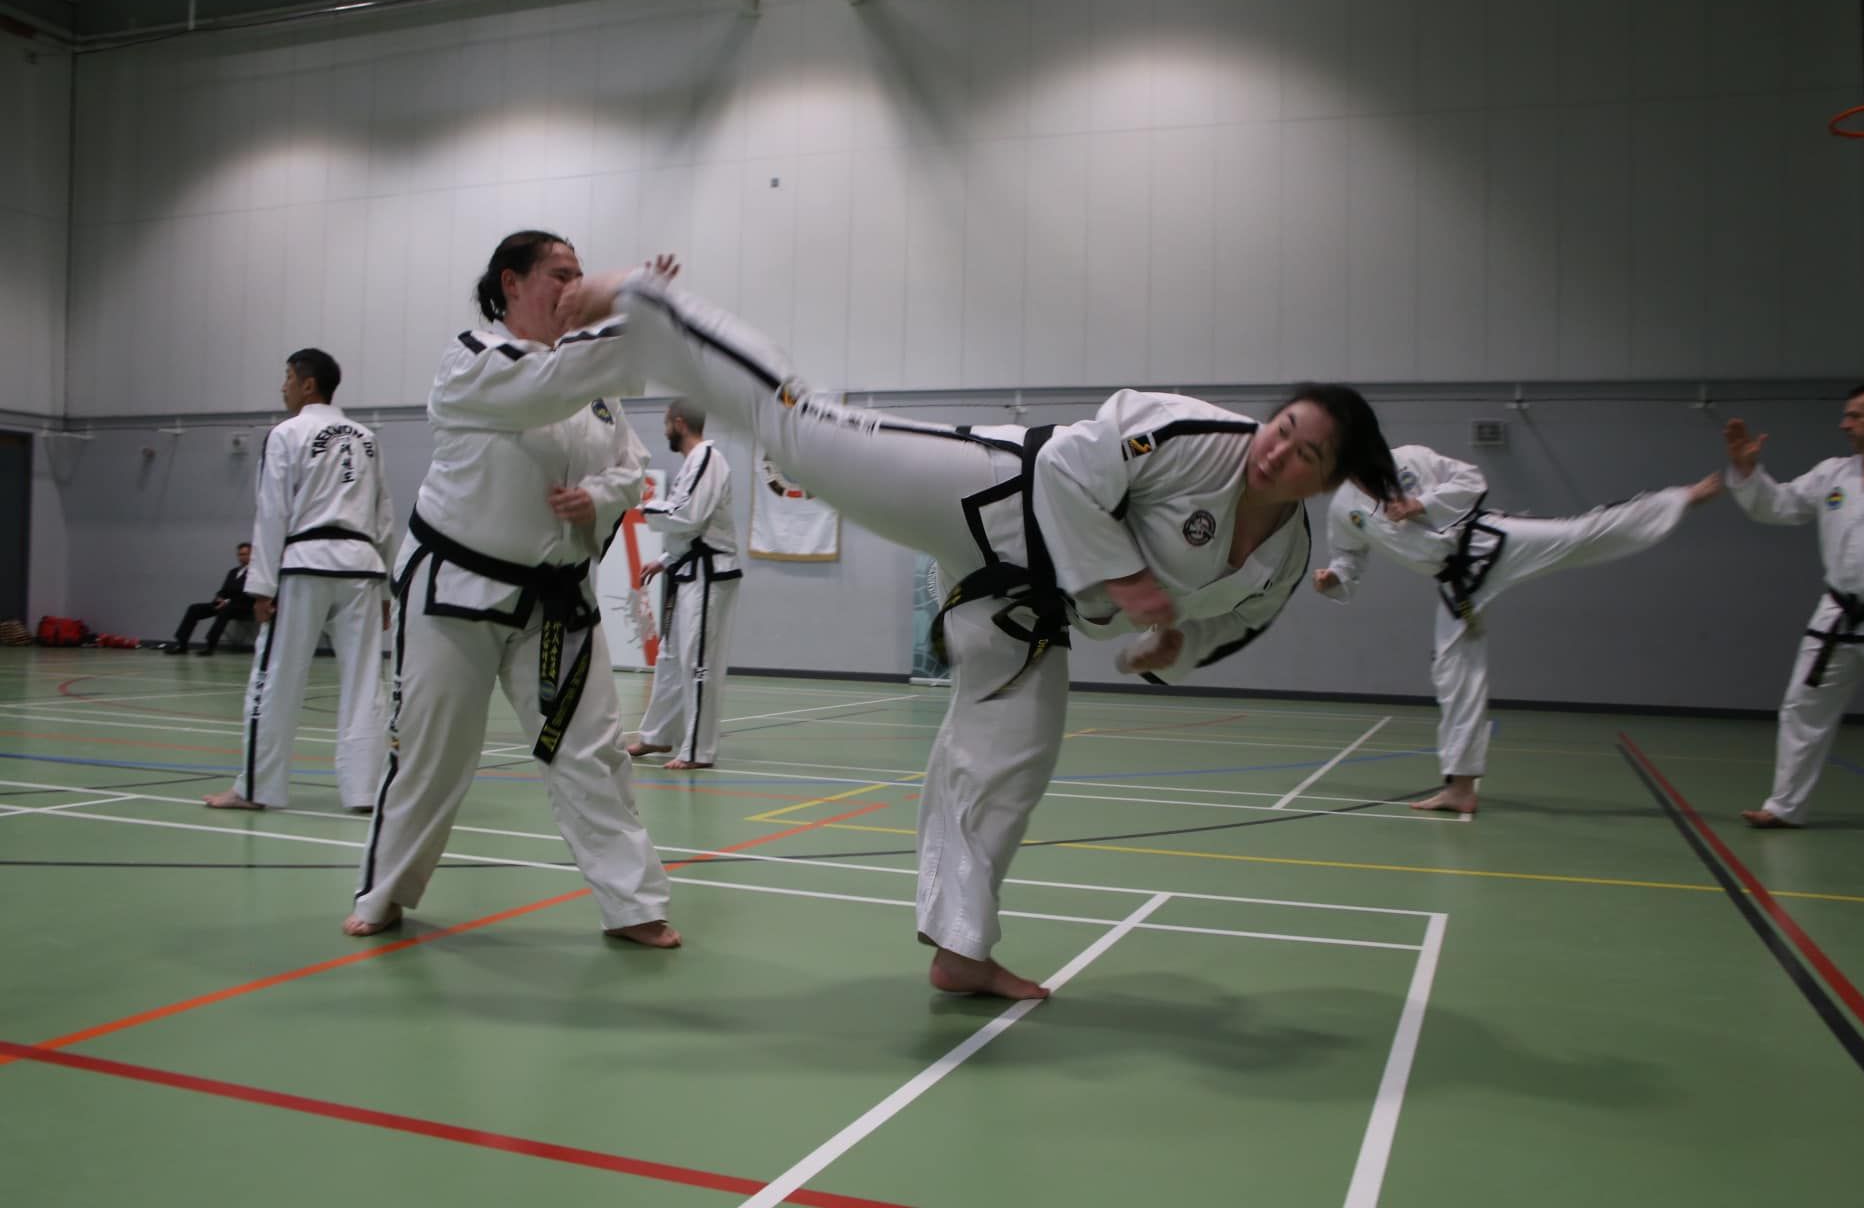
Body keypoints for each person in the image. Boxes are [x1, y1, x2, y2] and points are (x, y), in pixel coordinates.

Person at [558, 255, 1401, 999]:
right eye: (1284, 428)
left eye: (1306, 456)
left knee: (1011, 757)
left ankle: (961, 949)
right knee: (805, 433)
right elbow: (1072, 465)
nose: (1278, 452)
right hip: (988, 491)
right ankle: (652, 305)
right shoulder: (1199, 434)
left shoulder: (1283, 561)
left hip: (1026, 603)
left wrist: (1170, 644)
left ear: (1327, 485)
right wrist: (1128, 577)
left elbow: (1226, 631)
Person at [345, 231, 680, 948]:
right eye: (562, 275)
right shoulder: (473, 359)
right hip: (455, 594)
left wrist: (600, 494)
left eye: (582, 275)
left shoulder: (590, 387)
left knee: (591, 751)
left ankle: (634, 906)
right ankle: (385, 894)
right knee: (434, 754)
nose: (575, 287)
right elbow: (544, 389)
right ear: (513, 283)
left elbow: (632, 464)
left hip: (557, 600)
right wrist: (629, 296)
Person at [1314, 445, 1722, 814]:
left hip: (1488, 541)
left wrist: (1420, 504)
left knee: (1576, 533)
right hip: (1456, 583)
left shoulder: (1410, 459)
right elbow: (1348, 556)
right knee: (1453, 673)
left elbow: (1472, 479)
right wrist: (1334, 577)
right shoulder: (1342, 509)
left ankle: (1679, 499)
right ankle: (1460, 788)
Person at [204, 350, 398, 813]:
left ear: (308, 385)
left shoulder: (287, 433)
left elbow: (272, 509)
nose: (283, 386)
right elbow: (384, 513)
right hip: (363, 567)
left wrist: (261, 585)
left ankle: (256, 788)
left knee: (275, 679)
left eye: (288, 377)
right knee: (366, 682)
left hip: (304, 565)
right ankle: (364, 790)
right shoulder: (367, 437)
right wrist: (387, 586)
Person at [1724, 380, 1864, 829]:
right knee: (1801, 709)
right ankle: (1784, 807)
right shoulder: (1833, 474)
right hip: (1836, 616)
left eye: (1856, 415)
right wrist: (1749, 471)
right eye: (1846, 415)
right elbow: (1779, 506)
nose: (1844, 423)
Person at [627, 398, 742, 770]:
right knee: (671, 657)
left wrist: (643, 504)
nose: (664, 431)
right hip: (688, 570)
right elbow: (691, 528)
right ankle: (657, 735)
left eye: (665, 423)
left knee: (698, 663)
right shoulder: (693, 464)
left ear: (679, 422)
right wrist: (662, 561)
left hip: (710, 575)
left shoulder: (708, 459)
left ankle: (697, 750)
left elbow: (687, 515)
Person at [167, 544, 253, 654]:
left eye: (244, 554)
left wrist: (227, 601)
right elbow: (224, 590)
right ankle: (182, 643)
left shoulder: (255, 573)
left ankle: (210, 646)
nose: (241, 557)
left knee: (225, 610)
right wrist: (219, 597)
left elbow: (248, 593)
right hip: (225, 604)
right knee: (194, 609)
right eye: (239, 554)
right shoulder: (233, 572)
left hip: (243, 607)